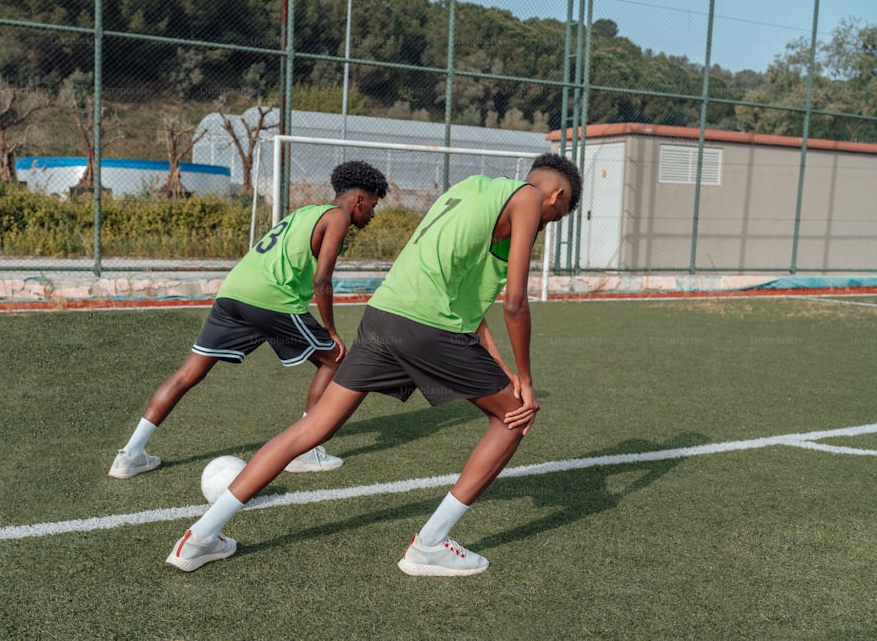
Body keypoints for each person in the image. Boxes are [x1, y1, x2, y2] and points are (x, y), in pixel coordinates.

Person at [164, 152, 583, 576]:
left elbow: (468, 309)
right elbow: (515, 303)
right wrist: (526, 380)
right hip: (424, 326)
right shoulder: (530, 197)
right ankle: (430, 545)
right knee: (515, 416)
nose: (546, 223)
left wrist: (503, 369)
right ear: (556, 194)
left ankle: (199, 537)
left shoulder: (470, 191)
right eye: (555, 216)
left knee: (313, 428)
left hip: (382, 315)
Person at [108, 160, 389, 479]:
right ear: (359, 200)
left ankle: (130, 454)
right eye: (374, 206)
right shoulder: (338, 217)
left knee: (188, 372)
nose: (373, 214)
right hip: (269, 298)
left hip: (233, 292)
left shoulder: (304, 212)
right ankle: (306, 449)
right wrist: (331, 331)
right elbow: (322, 279)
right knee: (336, 359)